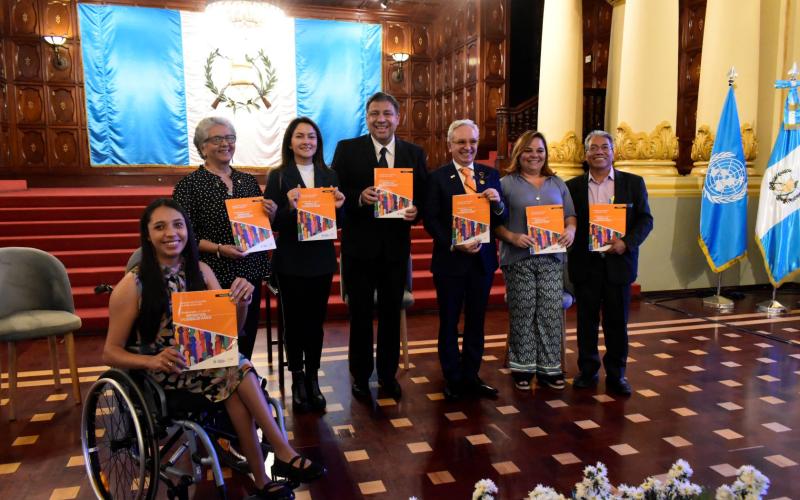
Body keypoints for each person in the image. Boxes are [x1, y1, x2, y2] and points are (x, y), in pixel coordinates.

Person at [102, 198, 325, 500]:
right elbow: (110, 353)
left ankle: (263, 478)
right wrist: (152, 360)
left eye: (178, 225)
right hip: (165, 373)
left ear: (188, 230)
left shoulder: (202, 272)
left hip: (209, 365)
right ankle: (281, 453)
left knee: (232, 369)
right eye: (160, 227)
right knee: (235, 368)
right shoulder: (133, 285)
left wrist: (242, 304)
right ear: (148, 235)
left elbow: (230, 333)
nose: (171, 233)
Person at [331, 92, 428, 401]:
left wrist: (416, 213)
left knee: (390, 314)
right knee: (359, 316)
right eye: (374, 113)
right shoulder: (347, 150)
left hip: (395, 251)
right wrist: (359, 196)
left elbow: (424, 196)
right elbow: (335, 192)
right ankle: (360, 376)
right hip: (358, 251)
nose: (381, 119)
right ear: (367, 117)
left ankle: (387, 375)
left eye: (387, 113)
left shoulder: (414, 153)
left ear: (398, 118)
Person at [173, 117, 275, 360]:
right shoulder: (189, 186)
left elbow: (257, 226)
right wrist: (219, 249)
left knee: (246, 336)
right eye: (217, 139)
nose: (225, 144)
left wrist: (269, 214)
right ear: (202, 146)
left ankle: (243, 380)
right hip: (212, 274)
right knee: (216, 346)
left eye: (230, 138)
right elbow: (182, 235)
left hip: (249, 270)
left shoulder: (248, 181)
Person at [264, 117, 345, 413]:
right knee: (294, 324)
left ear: (318, 142)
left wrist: (341, 207)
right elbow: (272, 223)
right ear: (290, 142)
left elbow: (340, 223)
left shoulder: (330, 174)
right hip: (290, 260)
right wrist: (289, 207)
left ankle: (313, 378)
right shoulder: (279, 176)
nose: (306, 141)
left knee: (315, 324)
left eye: (311, 136)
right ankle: (297, 377)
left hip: (321, 260)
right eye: (300, 136)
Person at [422, 119, 506, 401]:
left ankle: (471, 375)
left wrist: (498, 204)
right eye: (461, 142)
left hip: (481, 262)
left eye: (471, 142)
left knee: (476, 322)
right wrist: (454, 242)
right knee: (448, 322)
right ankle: (453, 378)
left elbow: (501, 219)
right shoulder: (437, 177)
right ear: (450, 146)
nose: (467, 147)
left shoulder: (490, 175)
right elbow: (430, 220)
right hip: (450, 263)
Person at [566, 130, 653, 396]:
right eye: (593, 147)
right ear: (585, 154)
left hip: (619, 263)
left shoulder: (633, 183)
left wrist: (626, 242)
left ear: (613, 152)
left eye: (605, 147)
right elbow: (568, 221)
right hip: (586, 264)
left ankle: (617, 374)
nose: (599, 151)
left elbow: (645, 220)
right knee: (586, 323)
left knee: (617, 323)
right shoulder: (572, 187)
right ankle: (588, 371)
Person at [495, 131, 576, 391]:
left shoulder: (557, 183)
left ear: (546, 154)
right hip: (518, 258)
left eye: (540, 150)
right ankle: (522, 367)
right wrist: (512, 236)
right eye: (528, 150)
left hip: (552, 258)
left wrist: (570, 231)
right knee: (524, 310)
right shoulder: (506, 184)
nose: (534, 155)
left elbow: (570, 216)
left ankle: (550, 368)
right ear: (519, 153)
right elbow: (495, 223)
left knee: (550, 312)